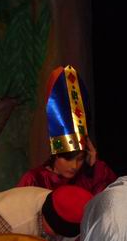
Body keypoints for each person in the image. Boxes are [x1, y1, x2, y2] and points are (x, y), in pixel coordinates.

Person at [17, 65, 116, 195]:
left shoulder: (88, 178)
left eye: (80, 159)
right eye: (68, 159)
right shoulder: (34, 180)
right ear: (56, 154)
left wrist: (96, 167)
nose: (74, 166)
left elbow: (107, 202)